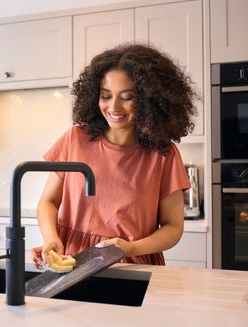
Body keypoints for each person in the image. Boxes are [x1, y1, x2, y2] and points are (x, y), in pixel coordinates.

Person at [31, 43, 198, 266]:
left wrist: (130, 247)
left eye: (127, 97)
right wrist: (51, 238)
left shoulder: (162, 154)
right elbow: (48, 201)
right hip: (73, 262)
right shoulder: (75, 139)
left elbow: (173, 228)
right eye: (106, 95)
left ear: (150, 100)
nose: (114, 107)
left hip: (132, 264)